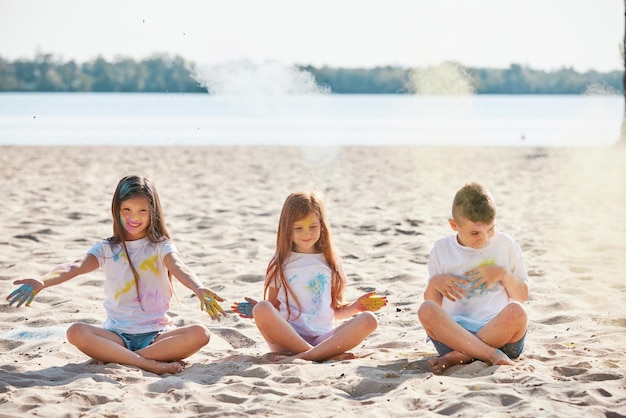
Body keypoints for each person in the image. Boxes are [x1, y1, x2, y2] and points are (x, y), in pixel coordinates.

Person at [6, 175, 227, 375]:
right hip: (116, 336)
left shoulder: (160, 246)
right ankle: (148, 363)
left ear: (153, 213)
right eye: (127, 210)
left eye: (142, 211)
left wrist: (198, 288)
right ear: (117, 210)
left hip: (157, 336)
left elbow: (180, 266)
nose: (134, 217)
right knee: (75, 332)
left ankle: (129, 359)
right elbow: (75, 266)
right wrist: (43, 281)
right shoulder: (106, 249)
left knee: (201, 333)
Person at [232, 191, 387, 362]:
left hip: (323, 339)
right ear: (286, 229)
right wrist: (257, 311)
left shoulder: (331, 262)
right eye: (298, 228)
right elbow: (273, 309)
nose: (306, 234)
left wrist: (357, 306)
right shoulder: (279, 263)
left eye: (312, 226)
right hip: (286, 341)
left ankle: (308, 355)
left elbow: (335, 310)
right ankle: (318, 355)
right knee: (262, 308)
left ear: (322, 225)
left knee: (369, 320)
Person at [417, 182, 529, 374]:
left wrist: (502, 274)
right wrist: (435, 284)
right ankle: (489, 355)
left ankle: (456, 359)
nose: (484, 239)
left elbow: (522, 295)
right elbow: (433, 303)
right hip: (454, 338)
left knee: (517, 311)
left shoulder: (506, 245)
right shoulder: (441, 249)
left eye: (490, 229)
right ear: (454, 225)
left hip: (501, 338)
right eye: (475, 233)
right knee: (426, 310)